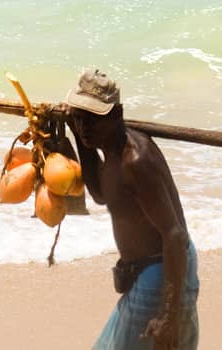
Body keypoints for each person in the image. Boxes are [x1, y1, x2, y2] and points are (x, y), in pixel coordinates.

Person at [66, 68, 199, 350]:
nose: (85, 126)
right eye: (79, 117)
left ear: (117, 114)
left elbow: (174, 235)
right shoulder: (109, 149)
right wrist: (78, 137)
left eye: (93, 119)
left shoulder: (135, 161)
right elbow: (102, 195)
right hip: (149, 270)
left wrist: (169, 315)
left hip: (163, 270)